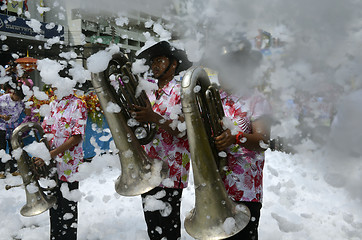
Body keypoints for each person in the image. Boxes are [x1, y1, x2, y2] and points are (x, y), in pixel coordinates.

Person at [212, 40, 272, 240]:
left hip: (245, 190)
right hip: (216, 186)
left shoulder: (256, 99)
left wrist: (236, 138)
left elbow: (263, 140)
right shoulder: (214, 97)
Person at [133, 41, 192, 240]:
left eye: (160, 60)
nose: (155, 65)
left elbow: (184, 132)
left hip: (172, 171)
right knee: (153, 229)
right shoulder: (148, 92)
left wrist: (154, 117)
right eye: (153, 61)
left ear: (173, 64)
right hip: (148, 169)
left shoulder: (183, 92)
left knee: (168, 229)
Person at [34, 90, 87, 240]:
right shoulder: (53, 103)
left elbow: (76, 137)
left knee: (68, 208)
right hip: (52, 165)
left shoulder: (78, 104)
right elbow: (45, 132)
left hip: (69, 165)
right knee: (54, 207)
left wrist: (51, 154)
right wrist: (40, 153)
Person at [0, 85, 25, 178]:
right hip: (2, 127)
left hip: (13, 127)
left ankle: (14, 169)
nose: (18, 100)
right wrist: (3, 116)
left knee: (13, 148)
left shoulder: (21, 102)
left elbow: (26, 112)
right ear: (13, 93)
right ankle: (1, 171)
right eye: (17, 97)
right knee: (1, 149)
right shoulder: (2, 99)